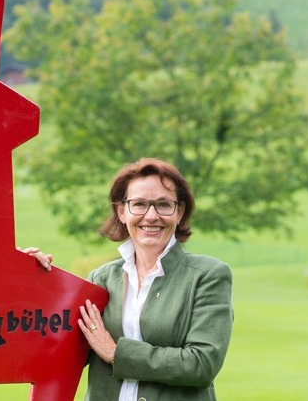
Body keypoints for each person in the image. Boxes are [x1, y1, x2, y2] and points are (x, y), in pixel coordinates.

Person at [23, 157, 233, 401]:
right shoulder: (102, 278)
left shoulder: (208, 275)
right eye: (139, 204)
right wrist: (29, 282)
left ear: (179, 212)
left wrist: (116, 354)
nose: (151, 215)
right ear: (122, 211)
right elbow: (58, 352)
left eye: (163, 205)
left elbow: (201, 364)